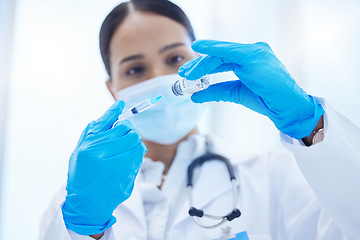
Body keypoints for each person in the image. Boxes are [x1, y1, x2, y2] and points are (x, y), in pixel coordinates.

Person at [40, 0, 360, 239]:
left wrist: (312, 125)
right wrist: (84, 230)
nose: (161, 77)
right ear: (113, 89)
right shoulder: (78, 204)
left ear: (198, 62)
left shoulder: (273, 179)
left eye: (176, 58)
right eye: (136, 69)